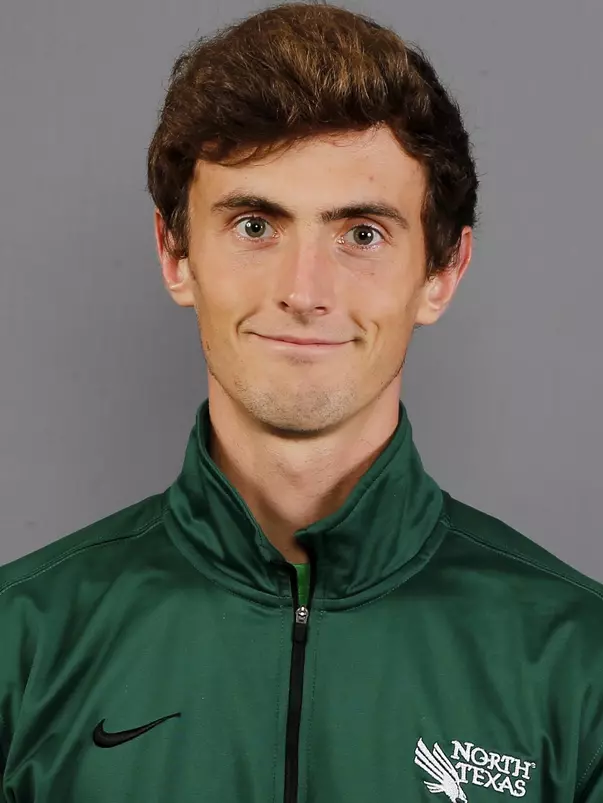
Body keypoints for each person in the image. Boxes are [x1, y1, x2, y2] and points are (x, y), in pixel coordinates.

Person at [1, 3, 601, 801]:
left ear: (442, 273)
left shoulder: (577, 659)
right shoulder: (21, 643)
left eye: (361, 234)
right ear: (175, 255)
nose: (303, 291)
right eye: (255, 224)